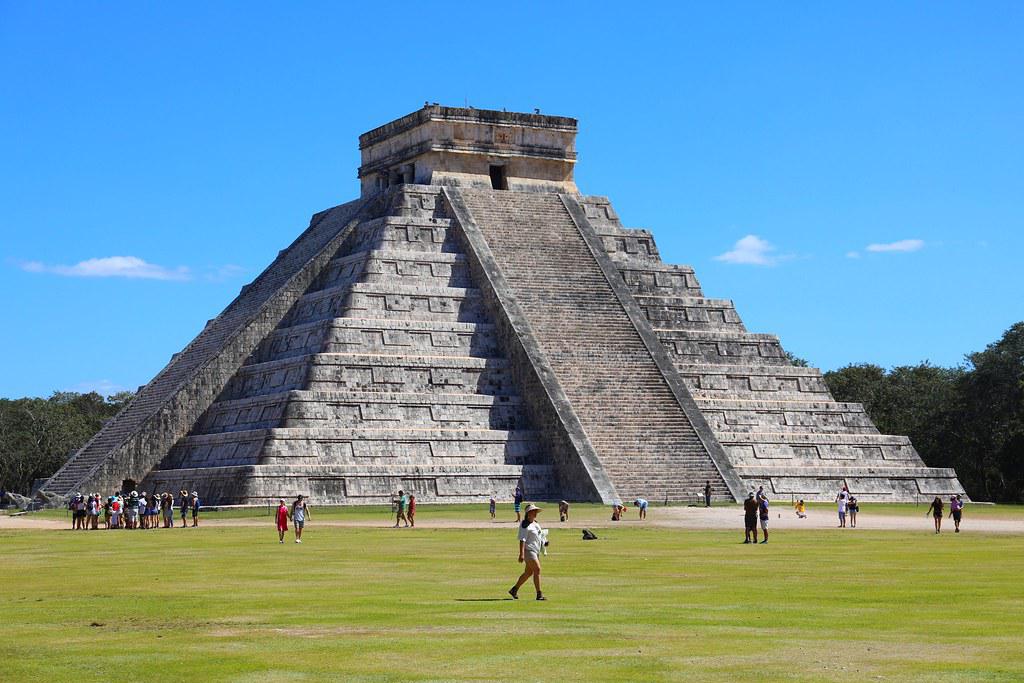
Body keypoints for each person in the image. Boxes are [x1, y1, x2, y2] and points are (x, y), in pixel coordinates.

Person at [509, 504, 546, 601]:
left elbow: (540, 536)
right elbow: (522, 540)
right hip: (528, 551)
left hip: (536, 550)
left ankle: (514, 589)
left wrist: (545, 543)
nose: (535, 513)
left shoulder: (536, 524)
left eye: (535, 511)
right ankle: (539, 594)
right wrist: (521, 554)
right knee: (537, 570)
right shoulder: (524, 525)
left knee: (528, 573)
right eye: (533, 511)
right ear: (528, 513)